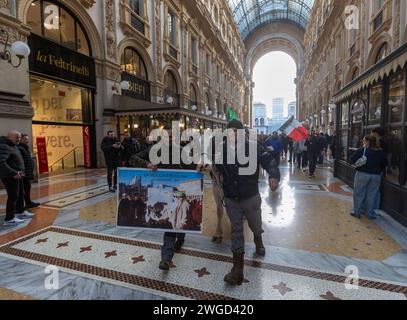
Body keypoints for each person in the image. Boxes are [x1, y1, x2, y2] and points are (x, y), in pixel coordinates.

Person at [215, 120, 280, 286]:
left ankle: (258, 239)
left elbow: (269, 160)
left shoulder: (253, 147)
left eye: (236, 131)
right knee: (236, 230)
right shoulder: (221, 149)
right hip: (231, 198)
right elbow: (215, 165)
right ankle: (237, 269)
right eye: (230, 131)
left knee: (255, 224)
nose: (232, 134)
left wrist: (273, 175)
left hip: (250, 196)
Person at [129, 125, 197, 271]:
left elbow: (193, 166)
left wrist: (200, 166)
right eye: (167, 136)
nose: (170, 138)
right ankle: (166, 259)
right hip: (163, 194)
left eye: (172, 136)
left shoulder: (181, 151)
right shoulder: (154, 151)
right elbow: (132, 158)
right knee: (171, 225)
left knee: (179, 219)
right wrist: (146, 163)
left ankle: (181, 237)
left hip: (179, 193)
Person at [0, 131, 34, 226]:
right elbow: (1, 163)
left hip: (18, 175)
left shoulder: (13, 145)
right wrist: (13, 173)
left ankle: (20, 212)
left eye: (19, 137)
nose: (18, 139)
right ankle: (9, 218)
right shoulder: (4, 146)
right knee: (13, 197)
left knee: (20, 194)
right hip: (10, 177)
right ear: (9, 137)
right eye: (16, 137)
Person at [350, 135, 387, 220]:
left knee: (359, 193)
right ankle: (369, 213)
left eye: (364, 141)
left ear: (368, 142)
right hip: (376, 176)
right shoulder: (381, 152)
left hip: (362, 174)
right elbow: (385, 164)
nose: (363, 142)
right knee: (372, 194)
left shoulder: (362, 150)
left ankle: (357, 212)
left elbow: (352, 159)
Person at [18, 134, 40, 210]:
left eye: (27, 139)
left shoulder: (25, 148)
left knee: (27, 188)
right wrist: (23, 173)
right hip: (24, 174)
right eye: (25, 139)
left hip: (27, 173)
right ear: (21, 140)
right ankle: (23, 206)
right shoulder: (20, 148)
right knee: (23, 190)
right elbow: (21, 162)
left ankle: (28, 203)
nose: (27, 141)